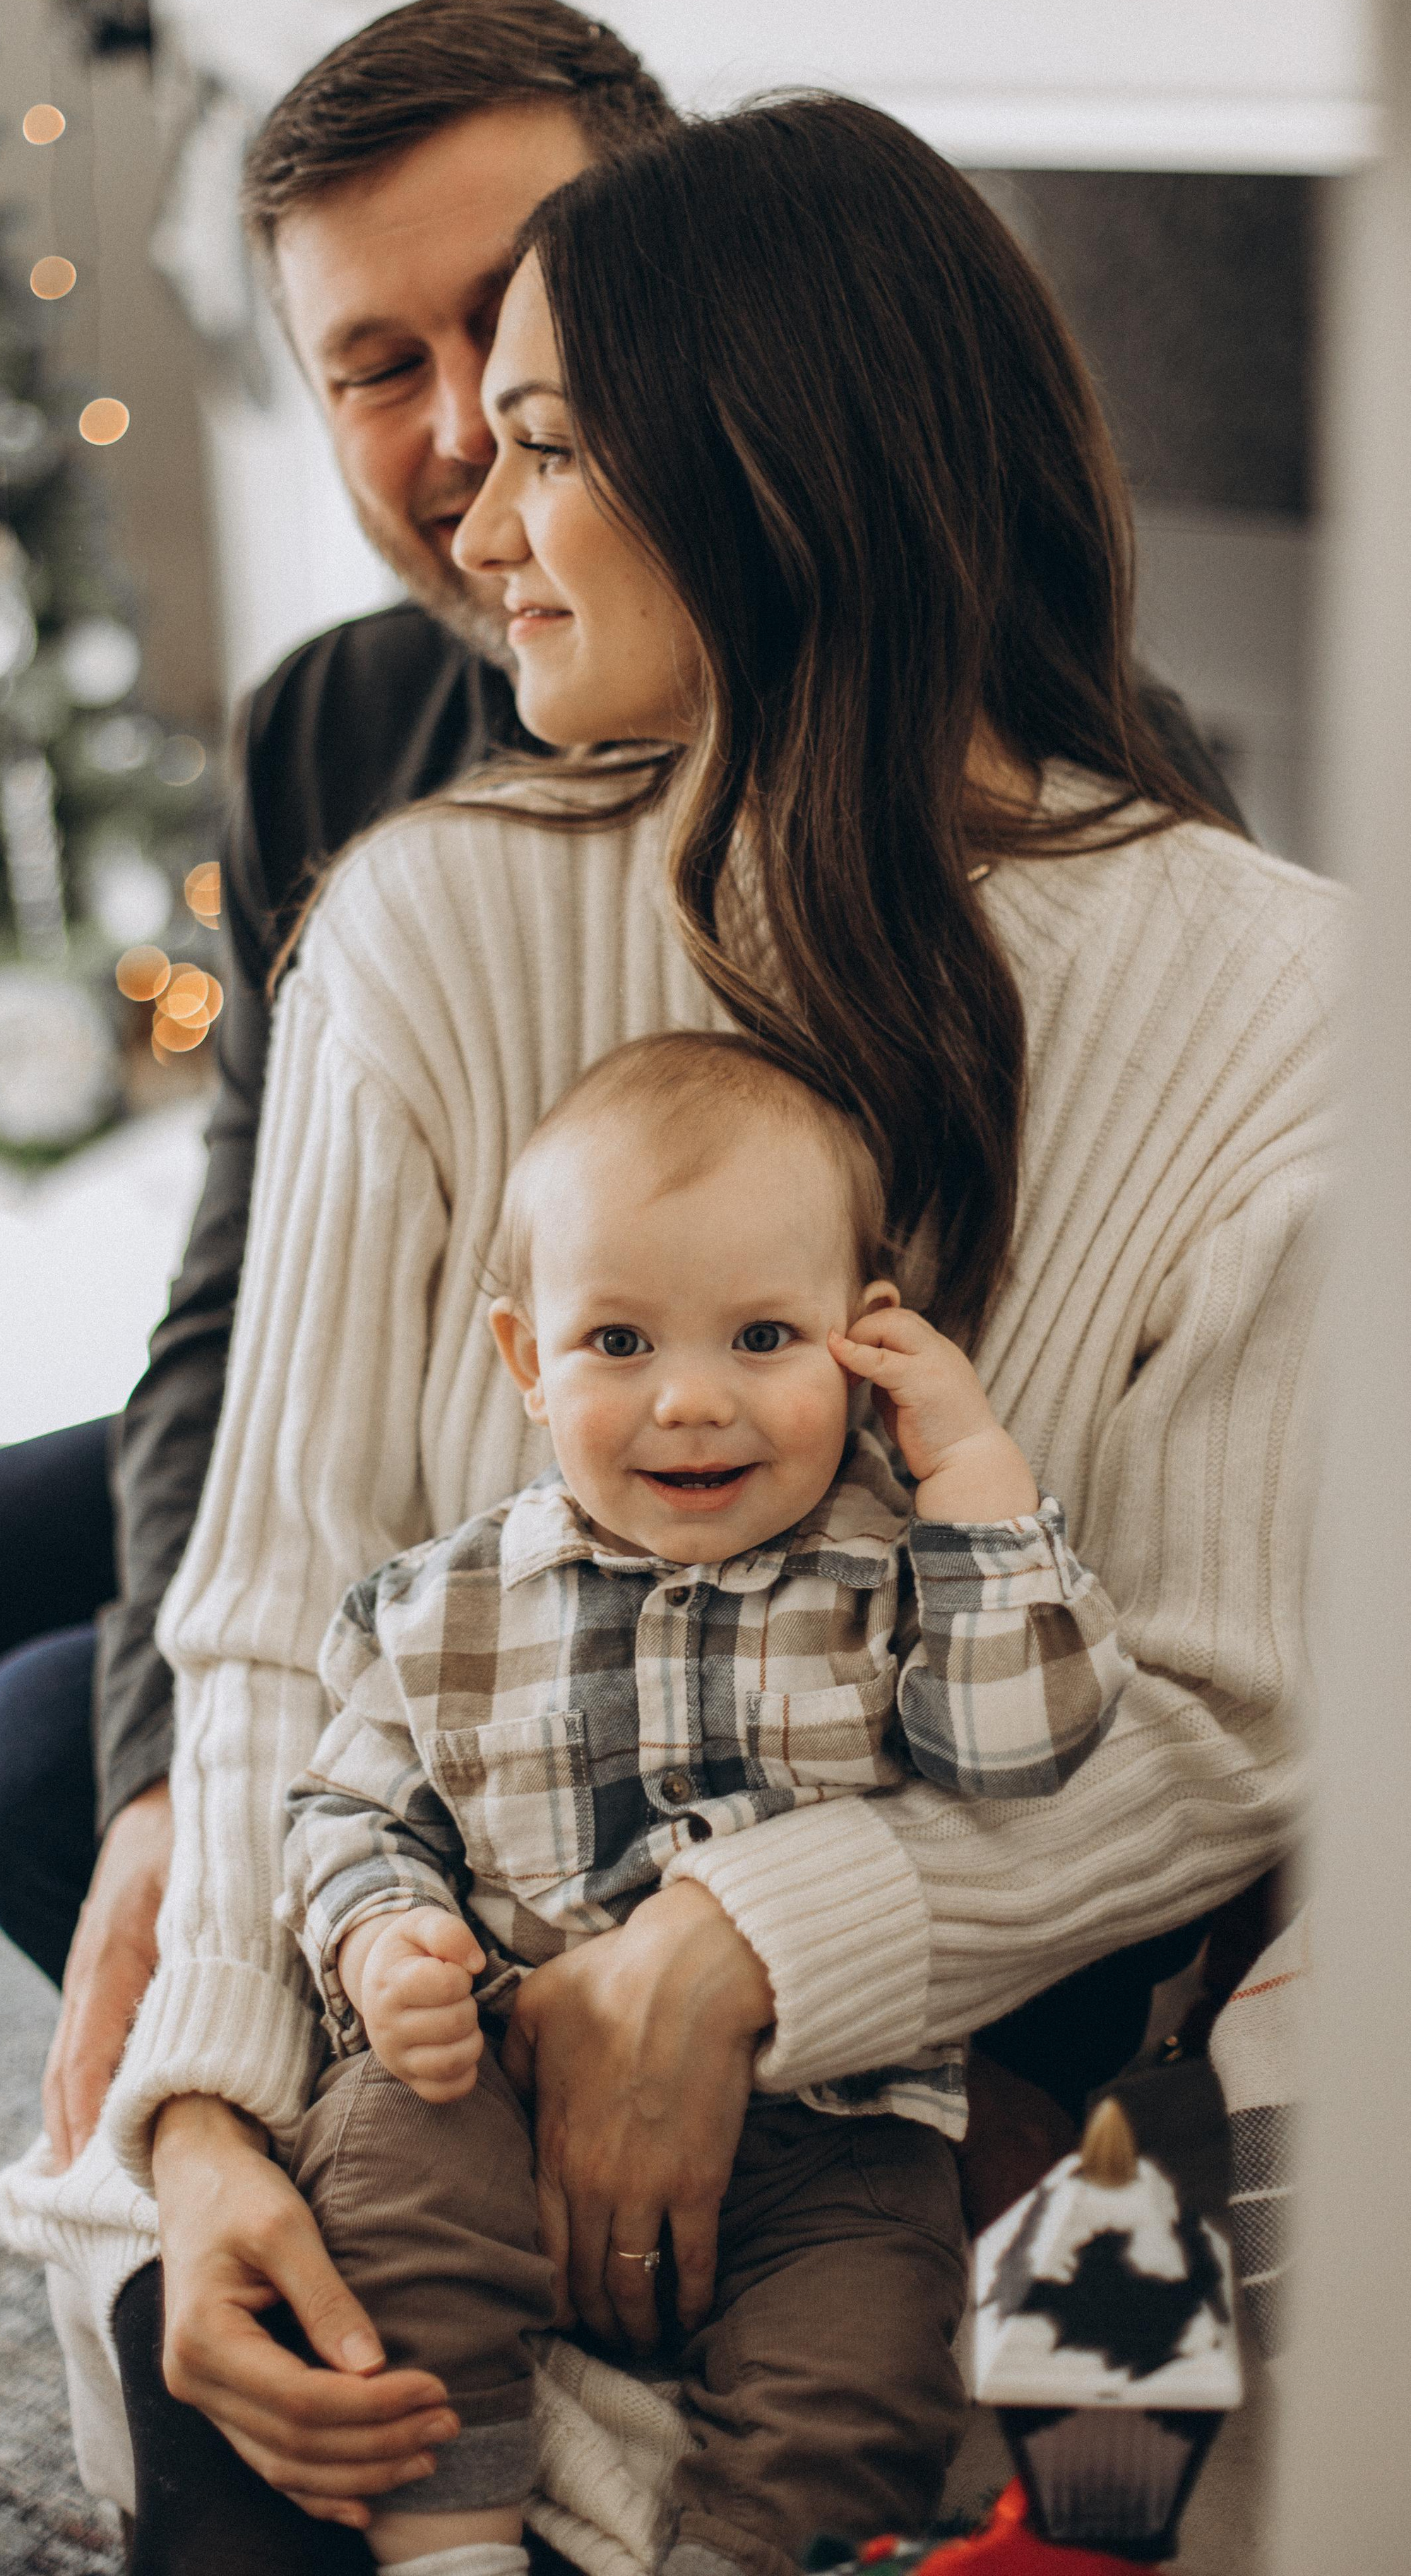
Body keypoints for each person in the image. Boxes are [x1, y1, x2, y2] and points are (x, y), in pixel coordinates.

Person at [0, 94, 1335, 2575]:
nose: (471, 532)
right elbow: (287, 1603)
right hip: (417, 2037)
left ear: (769, 473)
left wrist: (741, 1950)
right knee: (259, 2448)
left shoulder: (1281, 1007)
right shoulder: (420, 923)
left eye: (535, 445)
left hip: (907, 2104)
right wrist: (192, 2118)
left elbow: (1234, 1712)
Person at [0, 0, 1234, 2149]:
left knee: (25, 1739)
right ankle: (335, 2018)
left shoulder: (1043, 808)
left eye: (523, 342)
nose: (468, 437)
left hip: (728, 1482)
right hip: (437, 1384)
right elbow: (234, 1296)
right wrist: (168, 1794)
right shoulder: (334, 740)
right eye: (379, 368)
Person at [277, 1030, 1146, 2575]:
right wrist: (384, 1942)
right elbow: (343, 1812)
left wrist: (969, 1472)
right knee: (382, 2170)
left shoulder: (899, 1576)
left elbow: (1025, 1749)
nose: (688, 1402)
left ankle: (740, 2554)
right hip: (504, 2056)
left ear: (861, 1342)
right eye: (617, 1342)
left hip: (833, 2117)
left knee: (869, 2368)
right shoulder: (442, 1607)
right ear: (524, 1362)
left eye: (759, 1337)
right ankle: (453, 2537)